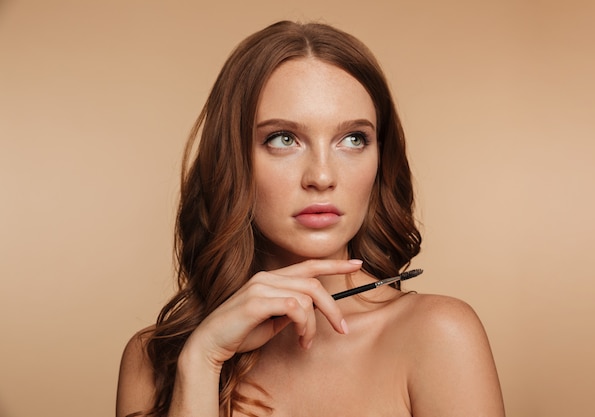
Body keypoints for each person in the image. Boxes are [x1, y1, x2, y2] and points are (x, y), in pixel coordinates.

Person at [116, 20, 505, 417]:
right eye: (284, 138)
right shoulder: (157, 359)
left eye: (353, 139)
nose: (321, 177)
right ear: (233, 160)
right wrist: (202, 360)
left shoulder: (438, 336)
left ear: (379, 159)